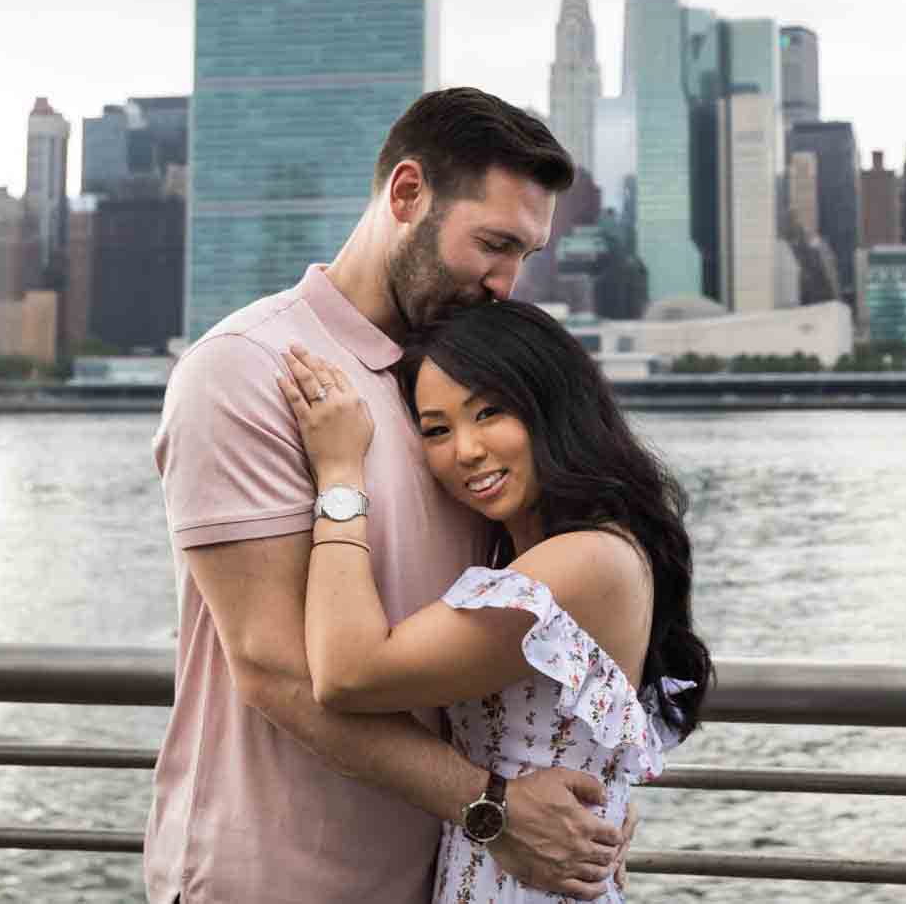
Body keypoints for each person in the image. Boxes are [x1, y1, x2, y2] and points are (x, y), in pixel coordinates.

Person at [145, 88, 630, 903]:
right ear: (408, 195)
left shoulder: (464, 389)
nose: (507, 282)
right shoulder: (246, 369)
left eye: (525, 257)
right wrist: (496, 809)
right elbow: (274, 671)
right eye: (494, 244)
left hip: (446, 876)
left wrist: (588, 808)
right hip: (274, 880)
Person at [276, 299, 712, 903]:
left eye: (490, 412)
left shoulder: (584, 559)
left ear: (551, 405)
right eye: (436, 429)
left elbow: (347, 674)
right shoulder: (543, 555)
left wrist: (341, 474)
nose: (467, 450)